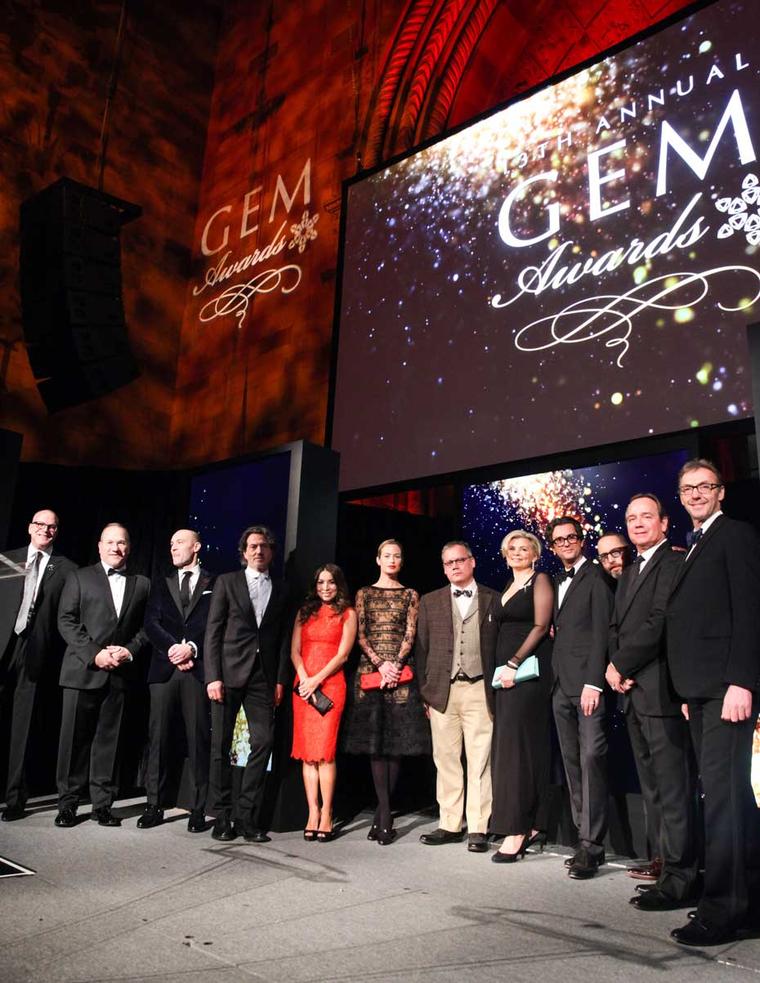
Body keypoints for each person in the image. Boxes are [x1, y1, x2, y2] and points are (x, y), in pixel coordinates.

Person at [664, 460, 760, 946]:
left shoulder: (736, 535)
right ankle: (751, 902)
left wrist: (742, 682)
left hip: (727, 691)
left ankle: (721, 911)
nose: (696, 494)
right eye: (688, 488)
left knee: (722, 802)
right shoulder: (695, 543)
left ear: (721, 492)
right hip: (700, 692)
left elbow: (749, 611)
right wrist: (687, 692)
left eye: (705, 486)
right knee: (734, 799)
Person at [606, 494, 697, 909]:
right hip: (632, 694)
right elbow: (616, 625)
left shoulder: (674, 563)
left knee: (674, 789)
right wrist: (615, 665)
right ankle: (666, 869)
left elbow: (660, 621)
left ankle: (682, 880)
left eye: (646, 517)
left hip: (661, 692)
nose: (638, 524)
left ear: (663, 523)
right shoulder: (629, 569)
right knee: (655, 790)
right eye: (631, 518)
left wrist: (620, 664)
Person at [55, 523, 150, 827]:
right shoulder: (79, 577)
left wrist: (128, 651)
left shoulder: (142, 584)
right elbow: (66, 621)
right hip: (82, 670)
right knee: (74, 743)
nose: (116, 548)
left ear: (129, 547)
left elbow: (147, 628)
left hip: (119, 675)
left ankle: (102, 806)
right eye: (110, 542)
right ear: (99, 546)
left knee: (109, 742)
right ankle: (67, 805)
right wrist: (95, 653)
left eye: (121, 543)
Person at [204, 525, 291, 843]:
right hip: (227, 675)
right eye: (253, 546)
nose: (259, 551)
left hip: (263, 677)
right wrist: (212, 675)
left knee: (263, 742)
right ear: (244, 552)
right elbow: (213, 631)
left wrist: (281, 679)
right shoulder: (226, 582)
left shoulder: (281, 588)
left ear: (271, 551)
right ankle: (222, 816)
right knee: (221, 747)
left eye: (265, 546)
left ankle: (246, 817)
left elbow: (282, 638)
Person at [342, 539, 430, 845]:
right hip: (369, 673)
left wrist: (394, 665)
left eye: (397, 556)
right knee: (375, 745)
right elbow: (361, 634)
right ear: (378, 559)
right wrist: (380, 664)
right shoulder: (364, 593)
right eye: (387, 555)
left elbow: (411, 632)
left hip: (401, 676)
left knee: (395, 746)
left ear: (401, 562)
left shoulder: (410, 594)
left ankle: (383, 814)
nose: (392, 559)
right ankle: (385, 813)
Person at [415, 541, 499, 853]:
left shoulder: (493, 598)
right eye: (448, 562)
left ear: (472, 562)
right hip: (442, 690)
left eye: (459, 561)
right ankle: (450, 823)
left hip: (479, 688)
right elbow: (421, 649)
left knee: (480, 760)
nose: (454, 567)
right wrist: (426, 691)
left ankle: (478, 826)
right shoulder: (430, 601)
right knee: (446, 759)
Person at [548, 516, 613, 879]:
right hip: (560, 687)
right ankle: (581, 837)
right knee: (573, 764)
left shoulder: (597, 577)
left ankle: (592, 845)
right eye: (559, 540)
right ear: (553, 546)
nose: (566, 543)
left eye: (571, 537)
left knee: (591, 759)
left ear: (582, 539)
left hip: (588, 688)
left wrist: (594, 683)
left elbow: (603, 632)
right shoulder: (557, 580)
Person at [0, 510, 76, 821]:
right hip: (3, 646)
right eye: (40, 524)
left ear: (56, 532)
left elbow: (67, 616)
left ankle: (15, 798)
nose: (45, 530)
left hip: (36, 652)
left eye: (52, 526)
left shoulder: (68, 569)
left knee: (23, 727)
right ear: (30, 527)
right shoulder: (6, 559)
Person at [140, 529, 215, 833]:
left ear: (196, 546)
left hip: (196, 671)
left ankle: (198, 809)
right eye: (170, 544)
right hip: (164, 670)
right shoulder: (161, 582)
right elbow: (150, 623)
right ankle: (154, 804)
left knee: (198, 738)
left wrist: (192, 648)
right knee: (158, 738)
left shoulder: (215, 582)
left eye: (179, 542)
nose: (173, 547)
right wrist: (174, 648)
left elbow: (214, 623)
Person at [491, 530, 553, 863]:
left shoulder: (539, 580)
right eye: (511, 548)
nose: (517, 552)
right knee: (514, 750)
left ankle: (517, 830)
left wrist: (514, 663)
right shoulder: (508, 585)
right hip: (506, 678)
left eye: (524, 547)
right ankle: (530, 823)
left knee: (518, 752)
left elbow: (541, 626)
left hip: (526, 675)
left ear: (535, 553)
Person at [291, 564, 357, 841]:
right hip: (304, 687)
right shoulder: (304, 612)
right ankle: (312, 813)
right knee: (307, 754)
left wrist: (316, 679)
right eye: (320, 583)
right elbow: (294, 651)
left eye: (330, 582)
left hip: (329, 686)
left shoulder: (348, 613)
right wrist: (305, 678)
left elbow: (343, 655)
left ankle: (327, 813)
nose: (325, 588)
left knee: (325, 753)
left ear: (338, 584)